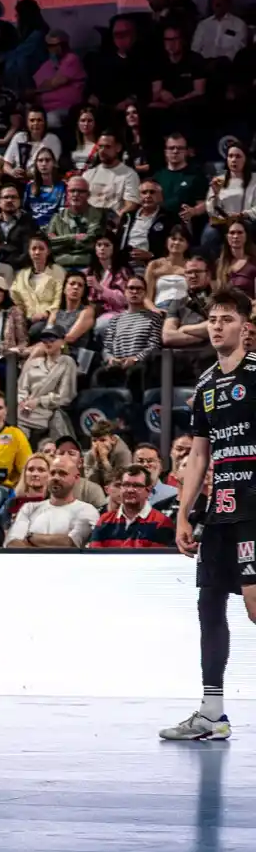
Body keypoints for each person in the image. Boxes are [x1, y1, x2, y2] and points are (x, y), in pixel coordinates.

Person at [169, 287, 256, 742]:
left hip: (254, 505)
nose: (218, 326)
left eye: (227, 319)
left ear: (246, 326)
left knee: (255, 606)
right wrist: (184, 514)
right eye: (213, 320)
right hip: (221, 508)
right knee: (209, 603)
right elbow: (199, 456)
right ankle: (211, 713)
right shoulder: (204, 386)